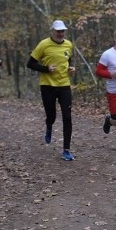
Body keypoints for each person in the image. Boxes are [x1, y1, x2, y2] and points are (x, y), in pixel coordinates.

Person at [27, 20, 76, 161]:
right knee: (52, 115)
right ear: (52, 31)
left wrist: (70, 68)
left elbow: (68, 59)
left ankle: (66, 150)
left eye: (62, 31)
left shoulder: (68, 44)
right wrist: (46, 69)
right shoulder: (44, 44)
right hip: (47, 85)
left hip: (64, 85)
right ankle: (49, 125)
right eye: (58, 31)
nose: (61, 34)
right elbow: (30, 63)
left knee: (67, 117)